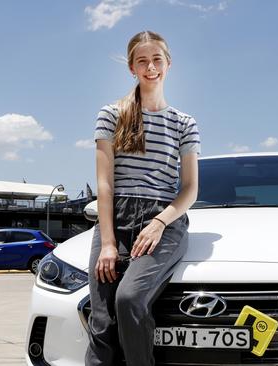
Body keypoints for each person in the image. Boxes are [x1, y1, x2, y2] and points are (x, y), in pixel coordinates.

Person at [86, 31, 201, 366]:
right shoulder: (112, 114)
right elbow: (104, 184)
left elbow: (190, 189)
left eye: (156, 60)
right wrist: (108, 243)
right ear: (131, 68)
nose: (150, 67)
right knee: (102, 319)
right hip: (116, 217)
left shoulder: (184, 123)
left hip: (163, 220)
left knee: (129, 297)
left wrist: (159, 223)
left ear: (168, 64)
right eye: (142, 61)